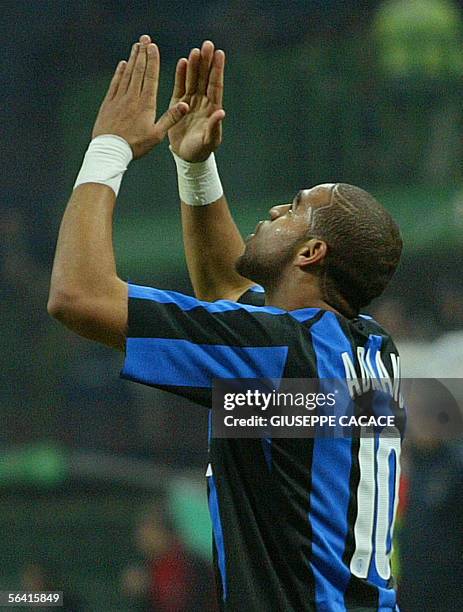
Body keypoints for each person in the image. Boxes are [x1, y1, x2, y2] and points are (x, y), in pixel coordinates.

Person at [49, 34, 404, 611]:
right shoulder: (368, 350)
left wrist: (108, 148)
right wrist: (194, 167)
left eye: (293, 208)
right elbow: (232, 299)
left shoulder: (282, 356)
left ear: (311, 252)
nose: (274, 211)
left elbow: (76, 295)